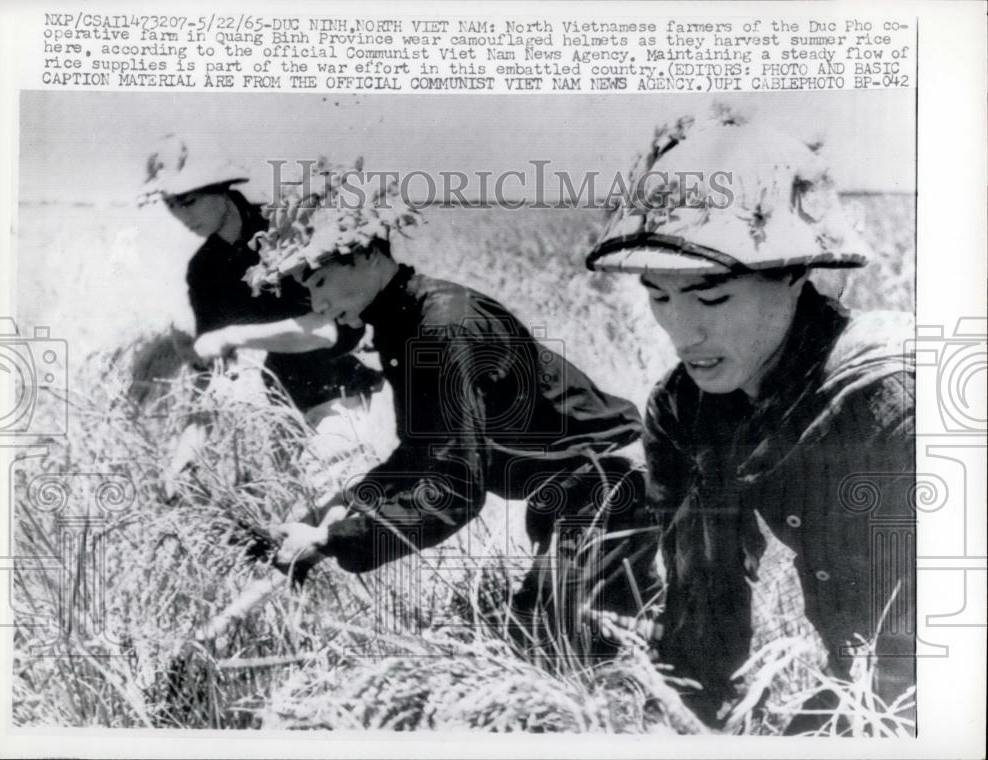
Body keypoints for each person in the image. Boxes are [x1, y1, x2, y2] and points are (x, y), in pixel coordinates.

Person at [585, 111, 916, 728]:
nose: (683, 332)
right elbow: (701, 617)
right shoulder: (686, 410)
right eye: (659, 295)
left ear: (794, 276)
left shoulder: (890, 404)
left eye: (711, 296)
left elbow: (924, 654)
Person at [248, 165, 649, 652]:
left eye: (320, 280)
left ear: (367, 253)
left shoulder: (441, 327)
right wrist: (342, 504)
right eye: (305, 289)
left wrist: (335, 540)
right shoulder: (405, 324)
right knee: (572, 644)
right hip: (573, 500)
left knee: (557, 646)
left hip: (609, 492)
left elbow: (455, 492)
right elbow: (425, 452)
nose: (316, 301)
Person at [139, 136, 383, 488]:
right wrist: (187, 450)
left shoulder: (291, 231)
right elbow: (215, 372)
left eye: (189, 201)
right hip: (283, 404)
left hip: (339, 394)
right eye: (170, 205)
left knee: (324, 512)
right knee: (284, 513)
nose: (181, 215)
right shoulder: (205, 270)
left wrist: (232, 335)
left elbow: (326, 331)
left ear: (220, 188)